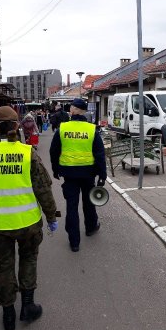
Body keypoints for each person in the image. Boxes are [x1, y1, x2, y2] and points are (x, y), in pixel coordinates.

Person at [0, 106, 58, 330]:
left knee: (4, 266)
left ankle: (8, 316)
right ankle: (27, 307)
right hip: (28, 224)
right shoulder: (28, 153)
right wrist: (51, 217)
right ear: (17, 126)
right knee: (28, 259)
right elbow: (43, 190)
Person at [49, 98, 107, 253]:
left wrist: (55, 170)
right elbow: (100, 153)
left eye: (71, 108)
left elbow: (54, 151)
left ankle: (74, 242)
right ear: (84, 112)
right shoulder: (91, 129)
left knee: (72, 206)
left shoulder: (63, 128)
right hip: (88, 173)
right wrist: (102, 175)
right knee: (89, 202)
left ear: (73, 111)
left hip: (69, 174)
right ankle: (91, 227)